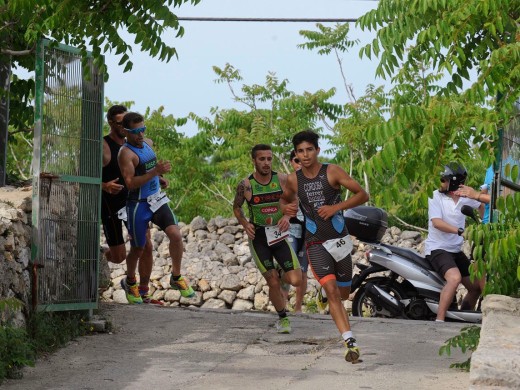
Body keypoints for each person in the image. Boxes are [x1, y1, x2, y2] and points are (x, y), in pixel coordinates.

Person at [280, 129, 369, 363]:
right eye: (300, 151)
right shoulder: (293, 180)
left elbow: (362, 194)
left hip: (339, 240)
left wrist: (336, 208)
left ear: (317, 150)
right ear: (296, 155)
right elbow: (283, 199)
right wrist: (285, 209)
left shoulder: (332, 171)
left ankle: (322, 290)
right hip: (315, 242)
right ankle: (350, 342)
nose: (305, 155)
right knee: (332, 293)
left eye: (310, 149)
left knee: (343, 294)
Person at [118, 112, 195, 304]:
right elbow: (130, 183)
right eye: (136, 132)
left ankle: (176, 277)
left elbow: (146, 170)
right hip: (137, 204)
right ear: (126, 132)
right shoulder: (125, 154)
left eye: (143, 129)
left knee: (176, 236)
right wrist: (156, 171)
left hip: (156, 199)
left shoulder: (148, 144)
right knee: (139, 248)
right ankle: (130, 282)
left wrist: (158, 178)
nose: (141, 135)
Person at [233, 144, 302, 334]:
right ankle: (283, 318)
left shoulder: (281, 179)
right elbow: (237, 208)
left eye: (269, 159)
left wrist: (287, 217)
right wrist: (245, 224)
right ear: (254, 160)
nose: (266, 163)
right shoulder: (245, 185)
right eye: (262, 159)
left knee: (296, 279)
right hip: (259, 237)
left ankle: (281, 271)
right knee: (272, 281)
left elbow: (294, 200)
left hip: (279, 234)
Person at [101, 105, 156, 304]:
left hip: (134, 202)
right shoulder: (103, 146)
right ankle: (99, 257)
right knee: (118, 256)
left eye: (127, 124)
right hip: (111, 205)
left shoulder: (133, 146)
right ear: (110, 123)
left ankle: (143, 291)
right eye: (120, 123)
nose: (125, 128)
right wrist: (103, 185)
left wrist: (157, 180)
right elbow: (84, 175)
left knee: (146, 245)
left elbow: (141, 171)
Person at [425, 162, 489, 322]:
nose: (441, 183)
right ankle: (439, 320)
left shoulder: (464, 197)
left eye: (444, 180)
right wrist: (460, 231)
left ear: (453, 181)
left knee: (475, 288)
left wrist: (480, 195)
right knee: (454, 278)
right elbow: (437, 223)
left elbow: (482, 207)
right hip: (437, 249)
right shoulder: (435, 196)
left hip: (455, 250)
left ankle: (462, 318)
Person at [288, 150, 308, 313]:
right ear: (291, 162)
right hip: (290, 230)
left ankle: (298, 307)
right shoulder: (286, 182)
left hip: (309, 231)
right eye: (296, 160)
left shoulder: (314, 181)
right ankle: (280, 303)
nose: (300, 163)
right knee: (287, 267)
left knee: (302, 271)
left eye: (302, 160)